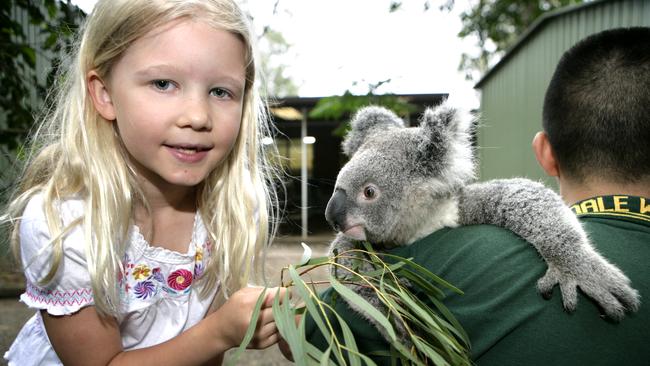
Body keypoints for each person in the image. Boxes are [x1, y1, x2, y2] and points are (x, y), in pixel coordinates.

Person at [302, 27, 650, 365]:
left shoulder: (459, 210)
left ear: (545, 151)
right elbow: (345, 277)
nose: (336, 215)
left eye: (368, 193)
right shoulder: (358, 254)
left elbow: (521, 197)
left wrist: (570, 257)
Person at [2, 0, 286, 365]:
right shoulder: (65, 224)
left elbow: (201, 354)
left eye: (220, 91)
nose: (198, 117)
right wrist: (220, 330)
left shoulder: (228, 207)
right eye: (164, 83)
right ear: (105, 94)